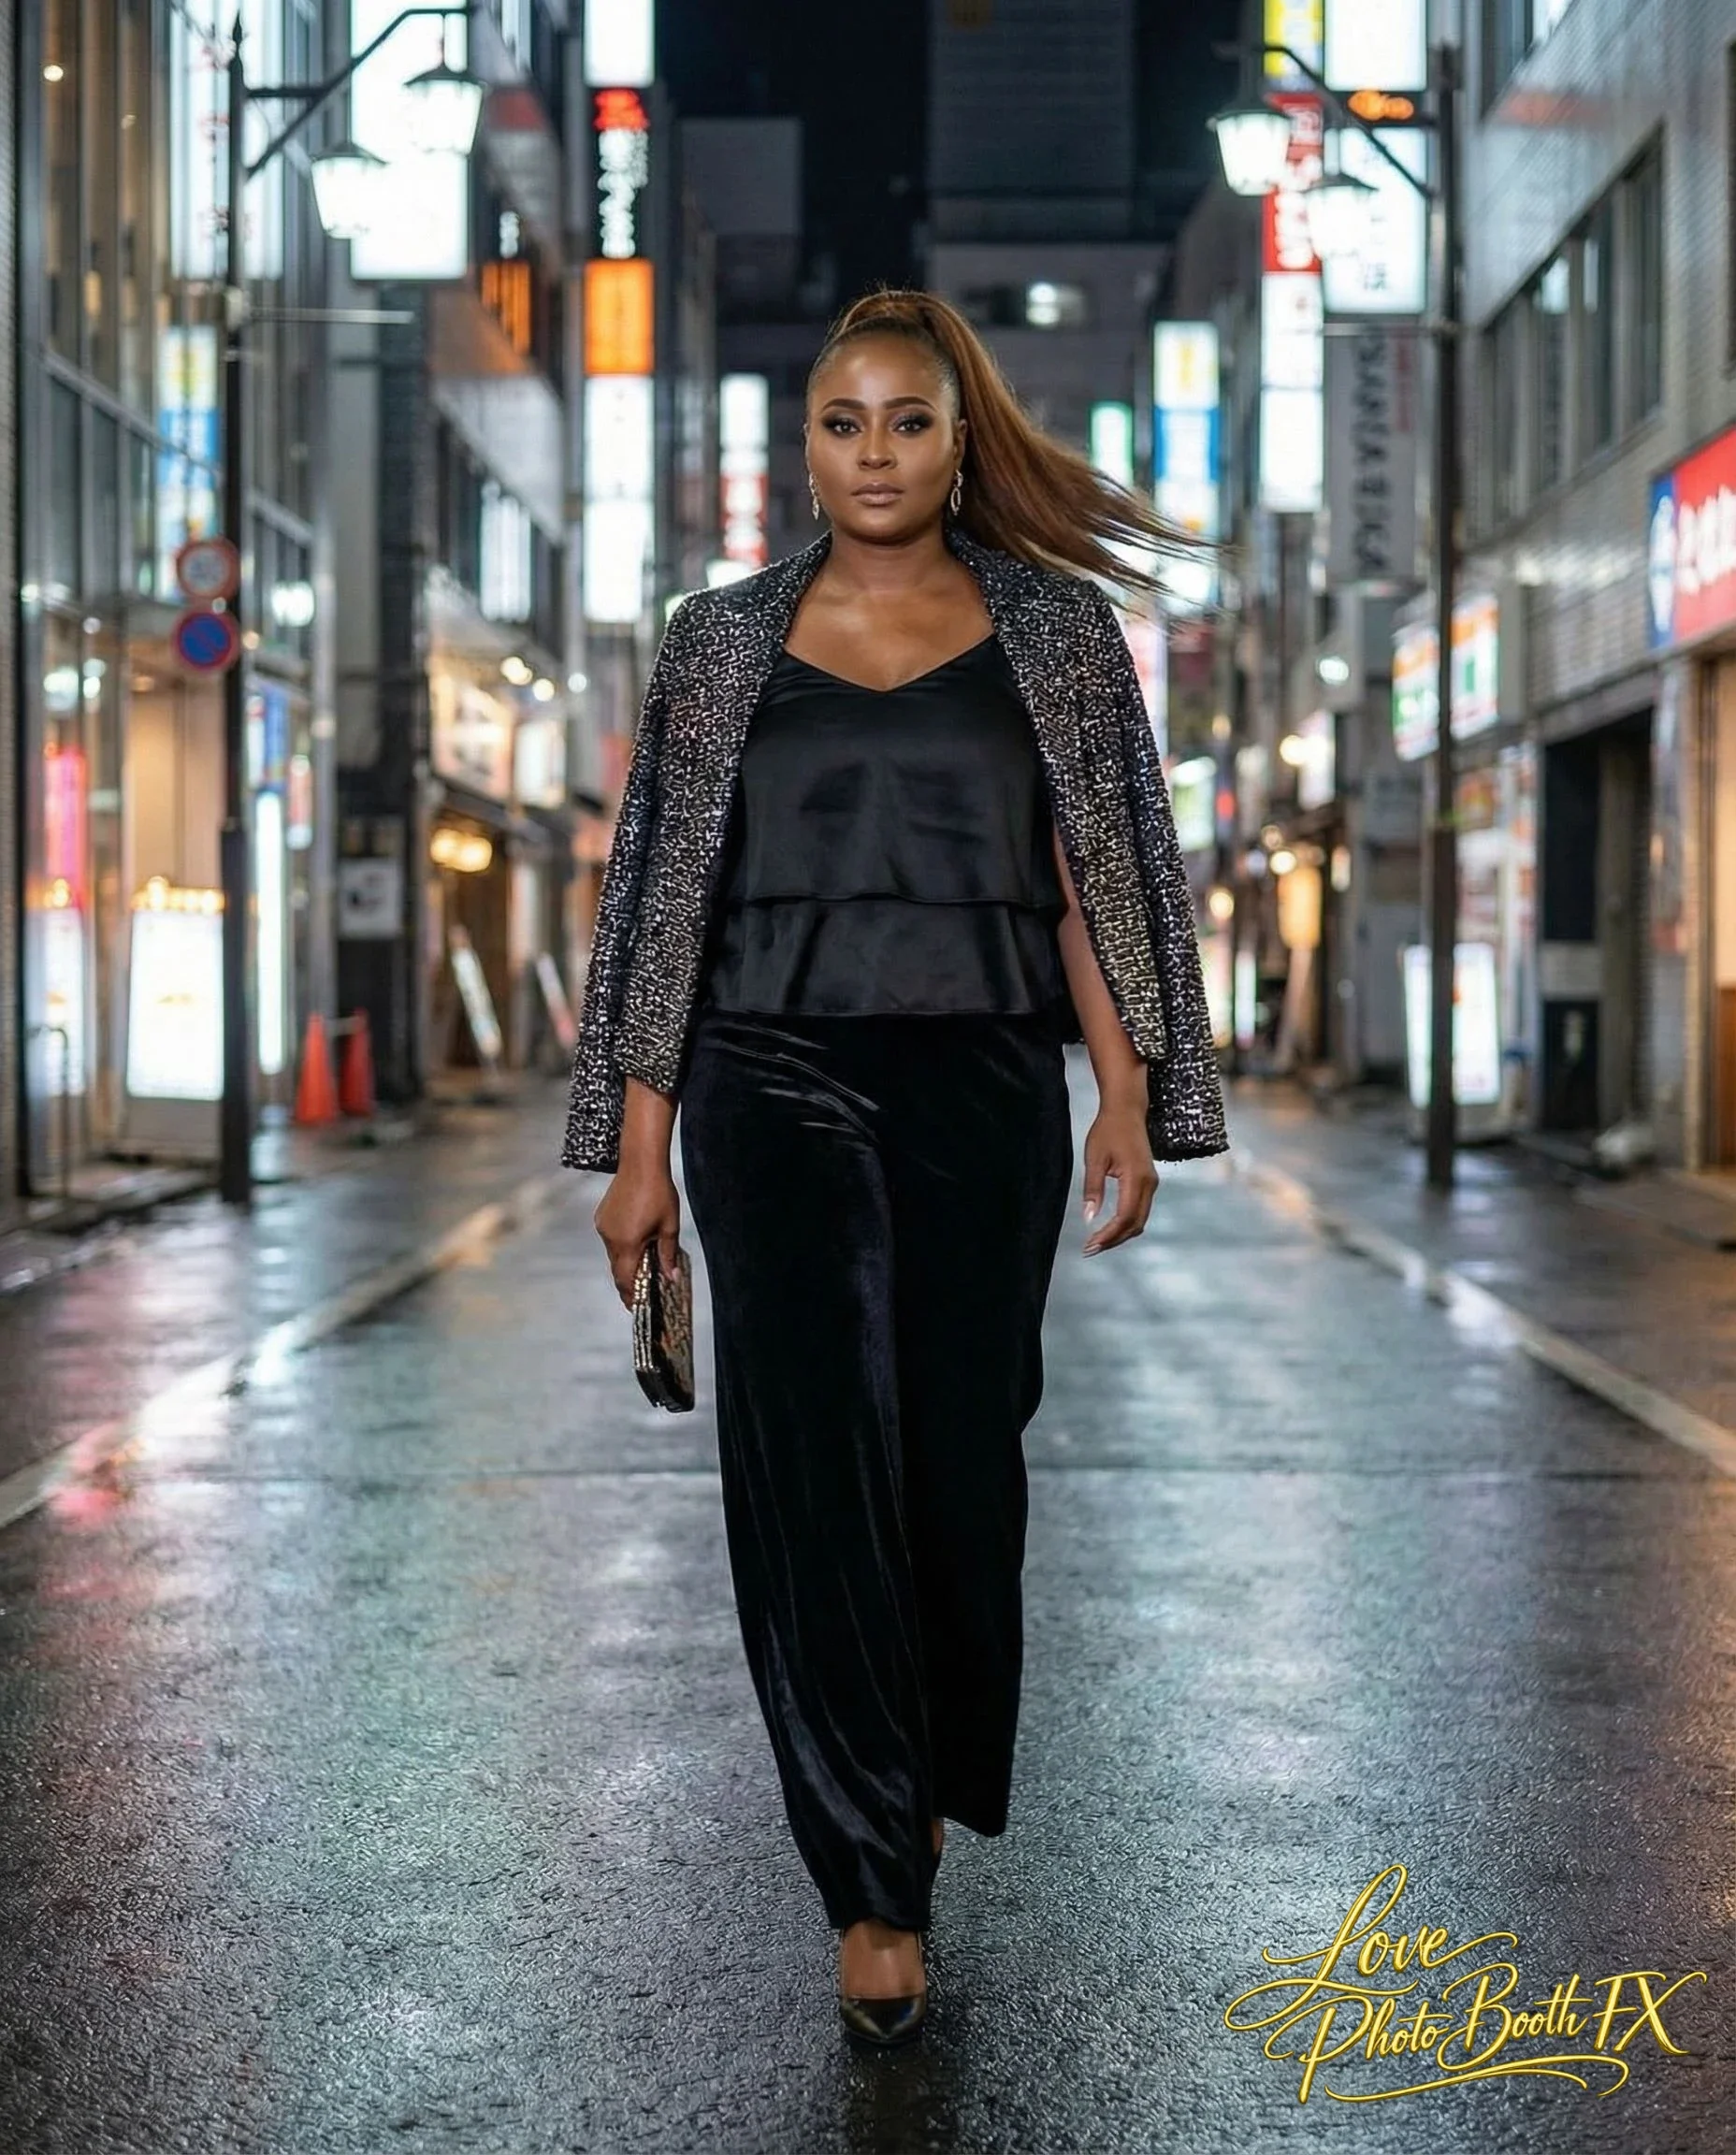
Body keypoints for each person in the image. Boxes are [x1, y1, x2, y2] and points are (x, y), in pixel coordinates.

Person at [563, 289, 1228, 2049]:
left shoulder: (1062, 636)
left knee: (956, 1446)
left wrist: (1122, 1093)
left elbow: (1095, 879)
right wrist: (638, 1160)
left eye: (909, 423)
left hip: (983, 1081)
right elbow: (660, 915)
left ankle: (913, 1759)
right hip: (766, 1076)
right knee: (807, 1453)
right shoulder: (718, 643)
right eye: (844, 423)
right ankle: (871, 1881)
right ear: (804, 446)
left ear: (958, 440)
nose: (876, 453)